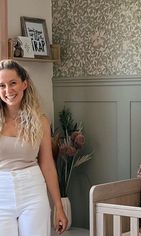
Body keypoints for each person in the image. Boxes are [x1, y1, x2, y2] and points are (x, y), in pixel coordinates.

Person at [0, 59, 68, 235]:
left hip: (32, 190)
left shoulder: (41, 121)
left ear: (24, 84)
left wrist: (59, 207)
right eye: (2, 85)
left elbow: (47, 165)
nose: (8, 91)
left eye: (12, 83)